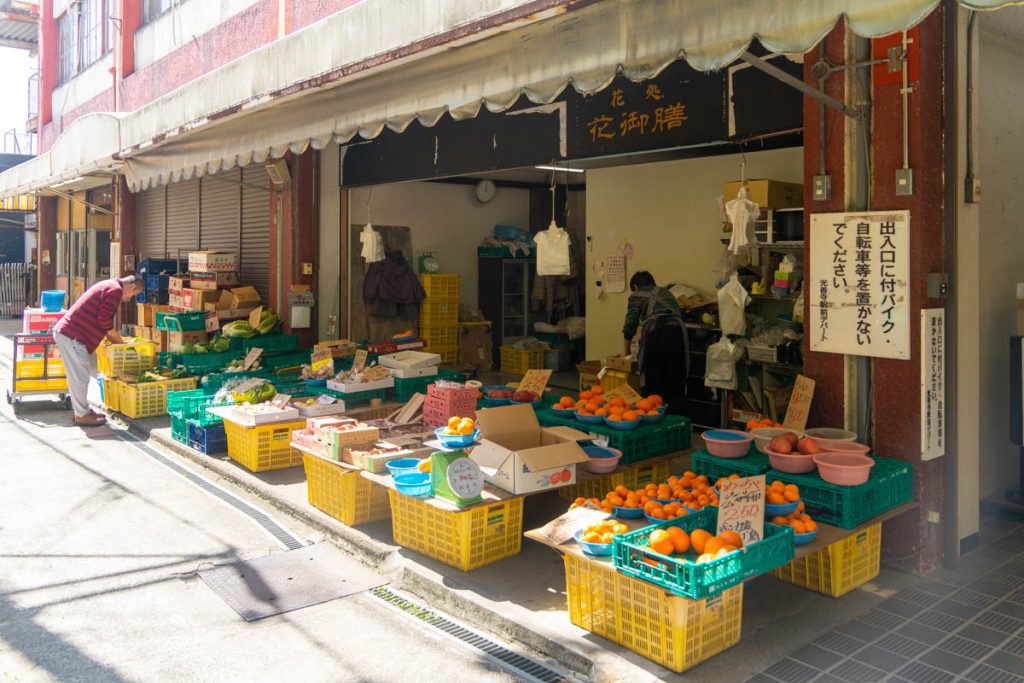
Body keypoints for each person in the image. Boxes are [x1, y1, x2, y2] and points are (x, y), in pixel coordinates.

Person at [53, 276, 144, 426]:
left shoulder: (110, 285)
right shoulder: (115, 290)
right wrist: (116, 338)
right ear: (132, 286)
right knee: (79, 378)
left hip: (70, 334)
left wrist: (111, 336)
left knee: (79, 376)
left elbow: (100, 317)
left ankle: (83, 411)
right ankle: (81, 415)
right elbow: (103, 319)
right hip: (72, 336)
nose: (128, 298)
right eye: (133, 294)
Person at [622, 271, 687, 408]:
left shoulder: (636, 295)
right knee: (674, 373)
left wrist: (626, 352)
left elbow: (630, 324)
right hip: (678, 332)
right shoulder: (666, 292)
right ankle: (675, 410)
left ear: (635, 286)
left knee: (653, 374)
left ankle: (653, 408)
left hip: (657, 332)